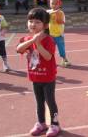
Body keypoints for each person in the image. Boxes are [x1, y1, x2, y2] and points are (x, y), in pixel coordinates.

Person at [16, 8, 60, 136]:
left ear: (45, 25)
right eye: (30, 21)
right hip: (35, 77)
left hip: (48, 77)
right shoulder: (27, 38)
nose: (33, 24)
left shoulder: (49, 39)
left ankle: (55, 124)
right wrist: (32, 40)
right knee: (39, 102)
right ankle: (41, 123)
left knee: (50, 101)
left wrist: (38, 43)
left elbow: (47, 56)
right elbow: (19, 49)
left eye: (37, 22)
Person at [47, 0, 71, 67]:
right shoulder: (48, 12)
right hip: (50, 34)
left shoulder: (61, 13)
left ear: (59, 4)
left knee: (61, 48)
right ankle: (50, 60)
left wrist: (56, 14)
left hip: (59, 35)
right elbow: (45, 16)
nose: (54, 5)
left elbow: (60, 22)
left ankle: (64, 59)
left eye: (56, 3)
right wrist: (50, 13)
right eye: (52, 3)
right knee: (50, 48)